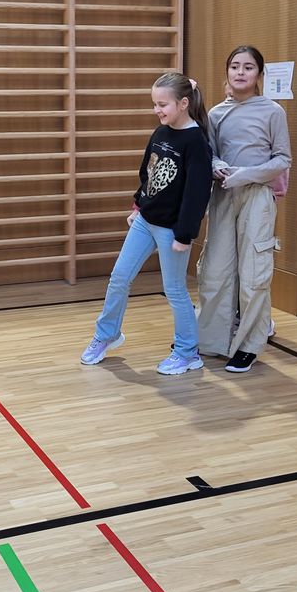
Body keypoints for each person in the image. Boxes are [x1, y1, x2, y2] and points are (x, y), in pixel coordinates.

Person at [80, 72, 212, 375]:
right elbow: (148, 173)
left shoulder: (195, 143)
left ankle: (188, 352)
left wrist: (185, 234)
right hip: (146, 221)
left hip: (173, 229)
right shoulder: (161, 133)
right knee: (119, 278)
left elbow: (196, 196)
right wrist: (138, 205)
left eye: (162, 104)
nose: (157, 110)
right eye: (154, 104)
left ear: (183, 103)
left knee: (175, 290)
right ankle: (108, 334)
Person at [197, 45, 291, 373]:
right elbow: (206, 154)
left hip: (257, 198)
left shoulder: (273, 111)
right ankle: (211, 339)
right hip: (223, 197)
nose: (240, 72)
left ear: (259, 75)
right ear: (227, 72)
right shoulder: (215, 114)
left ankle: (249, 345)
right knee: (216, 272)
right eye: (235, 66)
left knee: (254, 273)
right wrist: (218, 164)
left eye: (248, 67)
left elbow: (283, 159)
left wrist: (245, 175)